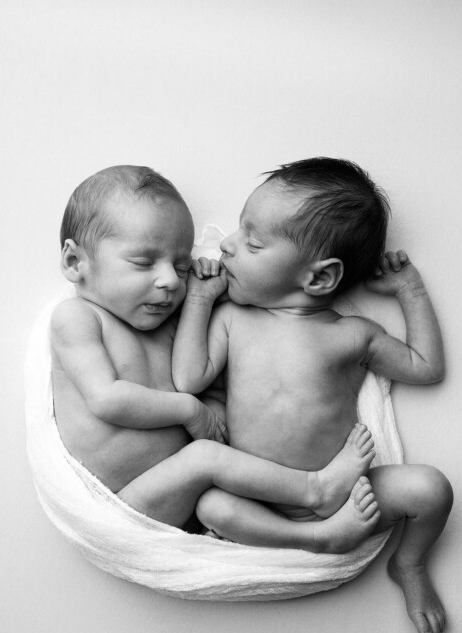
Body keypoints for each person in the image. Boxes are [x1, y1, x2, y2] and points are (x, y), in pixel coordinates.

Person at [172, 157, 453, 633]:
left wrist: (410, 290)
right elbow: (188, 378)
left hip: (350, 494)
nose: (227, 245)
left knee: (432, 489)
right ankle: (314, 538)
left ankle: (409, 565)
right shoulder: (231, 320)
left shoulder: (352, 335)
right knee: (213, 507)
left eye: (253, 242)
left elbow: (426, 368)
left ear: (320, 278)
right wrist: (199, 300)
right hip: (256, 496)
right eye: (240, 231)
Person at [50, 164, 380, 551]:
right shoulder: (77, 319)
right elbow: (107, 399)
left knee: (224, 433)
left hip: (185, 494)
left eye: (181, 264)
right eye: (143, 263)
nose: (170, 280)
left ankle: (289, 527)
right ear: (75, 263)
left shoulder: (164, 317)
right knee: (206, 454)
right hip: (124, 505)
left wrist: (202, 292)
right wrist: (191, 411)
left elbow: (207, 361)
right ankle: (314, 490)